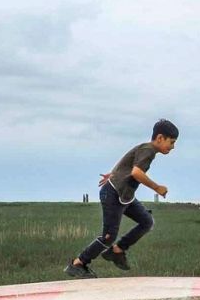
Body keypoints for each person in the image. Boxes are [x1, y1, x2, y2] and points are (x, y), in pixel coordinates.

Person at [65, 119, 178, 278]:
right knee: (108, 237)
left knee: (147, 221)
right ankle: (78, 264)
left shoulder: (144, 148)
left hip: (125, 196)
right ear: (160, 138)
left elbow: (126, 159)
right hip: (113, 194)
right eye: (171, 142)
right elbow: (136, 173)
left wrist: (113, 173)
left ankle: (117, 251)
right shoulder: (149, 150)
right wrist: (157, 188)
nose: (173, 147)